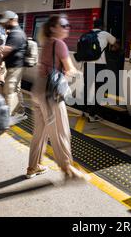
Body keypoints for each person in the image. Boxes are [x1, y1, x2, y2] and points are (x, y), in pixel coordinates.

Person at [27, 14, 89, 181]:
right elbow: (69, 69)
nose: (67, 27)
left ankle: (33, 166)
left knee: (40, 132)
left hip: (38, 90)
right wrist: (80, 74)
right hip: (50, 94)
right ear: (53, 28)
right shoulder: (59, 44)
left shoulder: (47, 42)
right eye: (64, 25)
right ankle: (67, 168)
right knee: (60, 131)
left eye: (68, 25)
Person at [83, 19, 117, 122]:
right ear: (102, 26)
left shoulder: (86, 34)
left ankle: (85, 111)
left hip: (88, 64)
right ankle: (92, 115)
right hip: (99, 65)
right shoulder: (105, 34)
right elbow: (116, 45)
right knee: (99, 90)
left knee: (87, 88)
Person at [0, 11, 27, 123]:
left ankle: (9, 118)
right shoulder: (15, 32)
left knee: (9, 90)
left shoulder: (16, 34)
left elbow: (7, 50)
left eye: (5, 22)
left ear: (11, 20)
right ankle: (21, 112)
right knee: (16, 89)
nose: (4, 24)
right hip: (16, 66)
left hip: (16, 67)